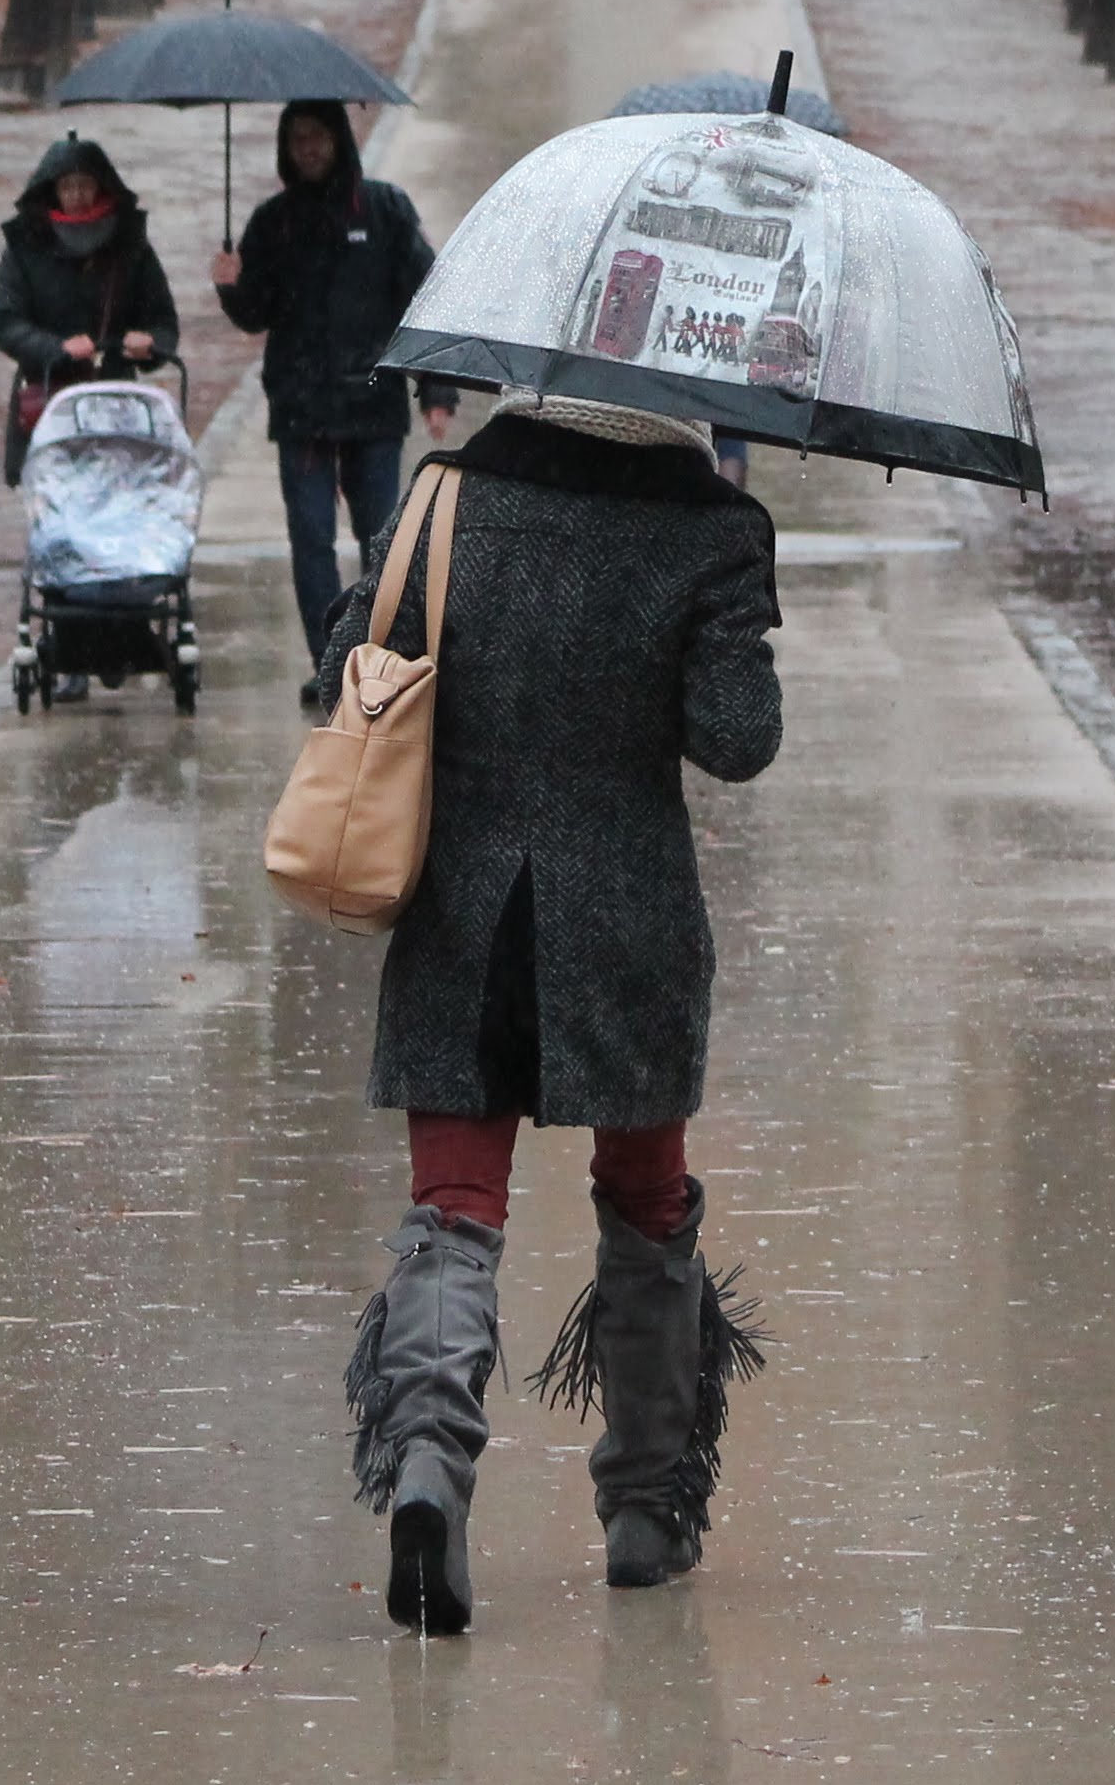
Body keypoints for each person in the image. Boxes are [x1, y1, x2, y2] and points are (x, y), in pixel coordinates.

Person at [329, 395, 781, 1636]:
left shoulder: (442, 498)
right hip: (624, 928)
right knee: (647, 1198)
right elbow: (738, 742)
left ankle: (428, 1463)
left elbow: (342, 675)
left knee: (455, 1207)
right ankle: (647, 1509)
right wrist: (733, 621)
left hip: (460, 919)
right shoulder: (712, 530)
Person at [211, 99, 453, 704]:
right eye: (298, 139)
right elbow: (255, 312)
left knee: (381, 540)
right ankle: (328, 662)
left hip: (371, 405)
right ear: (286, 148)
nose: (310, 149)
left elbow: (423, 298)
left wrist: (436, 390)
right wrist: (230, 287)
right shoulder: (274, 222)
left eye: (319, 137)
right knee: (312, 538)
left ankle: (375, 658)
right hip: (302, 411)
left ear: (339, 141)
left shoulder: (386, 210)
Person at [0, 136, 178, 489]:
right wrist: (56, 349)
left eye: (85, 185)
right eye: (68, 186)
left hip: (117, 404)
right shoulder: (25, 245)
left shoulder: (130, 244)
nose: (77, 195)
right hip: (48, 396)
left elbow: (164, 322)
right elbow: (5, 322)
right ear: (53, 190)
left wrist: (148, 344)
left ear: (101, 186)